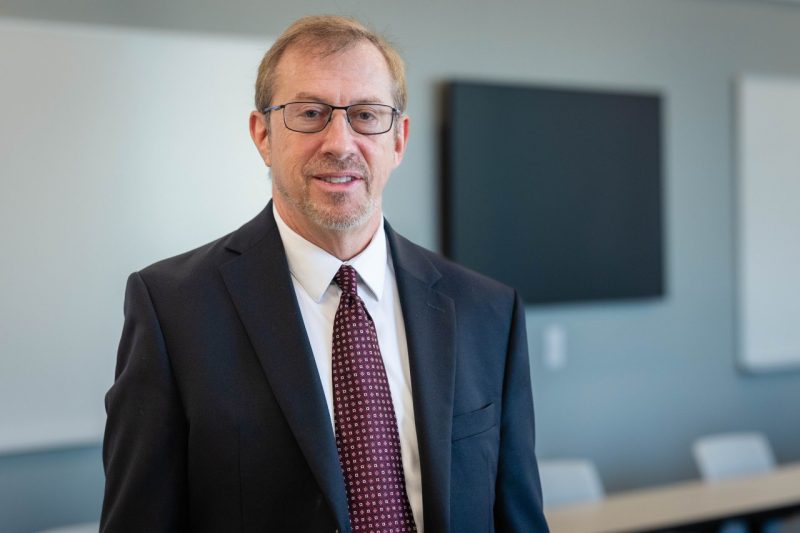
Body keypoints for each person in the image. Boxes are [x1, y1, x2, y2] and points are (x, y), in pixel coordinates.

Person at [101, 15, 548, 533]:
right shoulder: (172, 309)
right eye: (310, 113)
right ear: (263, 134)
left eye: (365, 115)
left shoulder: (487, 311)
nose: (340, 142)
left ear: (398, 139)